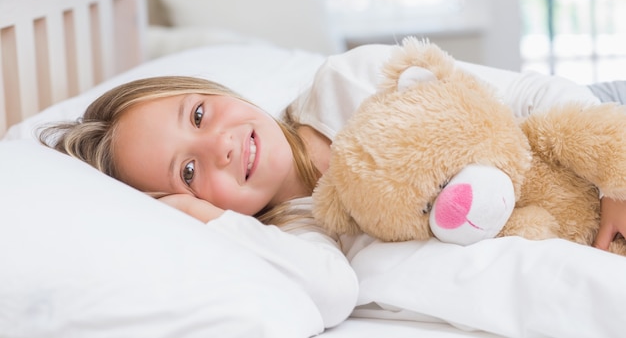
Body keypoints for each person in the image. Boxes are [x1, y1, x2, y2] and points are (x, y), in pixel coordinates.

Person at [39, 42, 626, 327]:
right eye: (188, 173)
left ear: (212, 90)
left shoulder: (347, 81)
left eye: (198, 115)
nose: (217, 144)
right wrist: (207, 221)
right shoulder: (298, 227)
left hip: (589, 133)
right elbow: (331, 291)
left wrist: (614, 181)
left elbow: (530, 95)